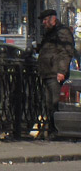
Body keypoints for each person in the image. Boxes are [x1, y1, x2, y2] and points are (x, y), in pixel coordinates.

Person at [36, 8, 74, 139]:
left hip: (55, 73)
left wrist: (61, 72)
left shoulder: (62, 32)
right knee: (48, 103)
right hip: (47, 72)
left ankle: (57, 131)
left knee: (55, 102)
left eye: (45, 20)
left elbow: (66, 52)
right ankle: (51, 130)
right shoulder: (50, 33)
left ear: (53, 19)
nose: (43, 23)